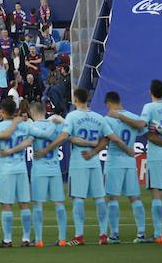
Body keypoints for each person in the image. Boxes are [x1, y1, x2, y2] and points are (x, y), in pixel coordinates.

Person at [35, 88, 109, 246]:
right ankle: (103, 235)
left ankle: (79, 235)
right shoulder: (99, 117)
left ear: (75, 99)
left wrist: (47, 149)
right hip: (94, 161)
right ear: (87, 99)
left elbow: (64, 136)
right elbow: (107, 139)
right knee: (100, 198)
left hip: (78, 160)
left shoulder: (72, 116)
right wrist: (95, 150)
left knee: (78, 198)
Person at [108, 78, 162, 244]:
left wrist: (120, 116)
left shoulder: (149, 107)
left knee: (156, 195)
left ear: (150, 92)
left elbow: (141, 124)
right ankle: (149, 233)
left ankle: (158, 234)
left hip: (157, 156)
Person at [98, 91, 148, 243]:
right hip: (130, 162)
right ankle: (141, 234)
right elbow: (143, 128)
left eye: (107, 106)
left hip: (114, 162)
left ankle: (114, 234)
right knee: (135, 198)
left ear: (110, 104)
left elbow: (106, 140)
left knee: (112, 198)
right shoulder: (132, 116)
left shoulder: (107, 119)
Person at [26, 102, 68, 247]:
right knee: (59, 204)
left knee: (37, 204)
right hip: (55, 168)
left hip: (39, 169)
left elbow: (27, 141)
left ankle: (39, 240)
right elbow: (69, 131)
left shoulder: (32, 127)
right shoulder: (55, 125)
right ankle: (62, 239)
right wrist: (61, 119)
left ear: (32, 112)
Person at [0, 98, 33, 247]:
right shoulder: (23, 126)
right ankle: (26, 238)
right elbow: (35, 136)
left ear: (3, 112)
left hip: (6, 170)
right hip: (21, 168)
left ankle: (8, 239)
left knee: (6, 204)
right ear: (15, 111)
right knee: (24, 204)